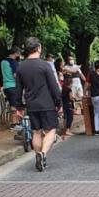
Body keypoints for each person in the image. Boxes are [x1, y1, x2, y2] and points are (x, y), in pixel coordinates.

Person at [14, 37, 62, 171]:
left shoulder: (21, 67)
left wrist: (19, 107)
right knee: (50, 130)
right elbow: (54, 86)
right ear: (39, 48)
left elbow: (18, 89)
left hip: (31, 104)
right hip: (47, 103)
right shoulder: (45, 65)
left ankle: (37, 155)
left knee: (36, 132)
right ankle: (43, 154)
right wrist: (59, 102)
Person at [1, 47, 21, 129]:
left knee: (12, 104)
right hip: (13, 85)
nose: (19, 55)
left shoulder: (3, 61)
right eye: (19, 53)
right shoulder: (13, 62)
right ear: (15, 53)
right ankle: (14, 123)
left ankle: (16, 123)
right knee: (14, 105)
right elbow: (15, 75)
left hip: (5, 86)